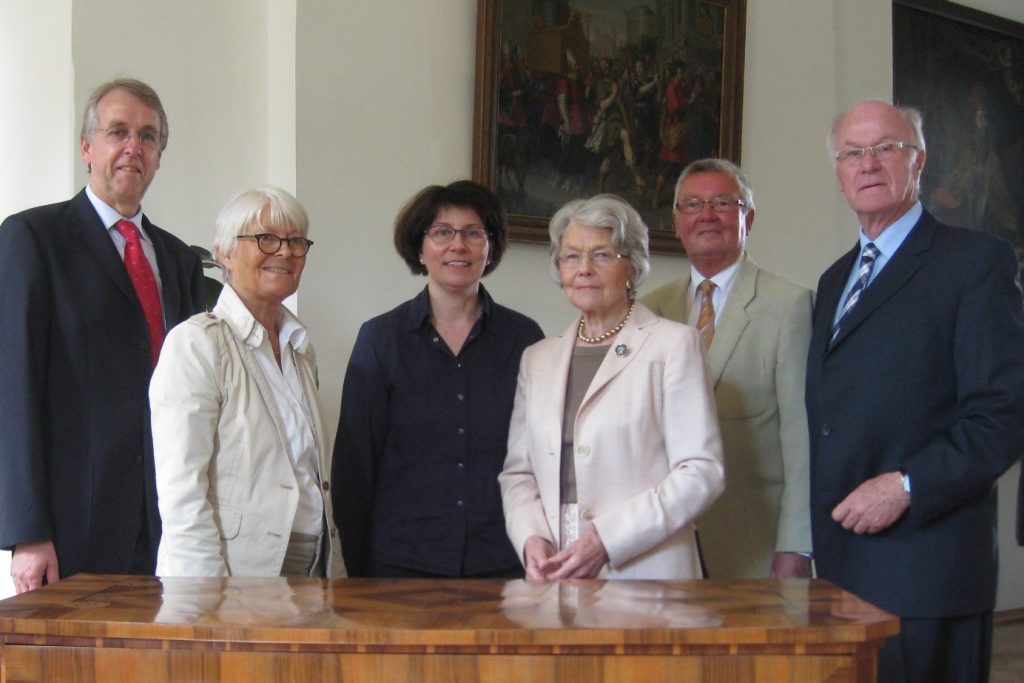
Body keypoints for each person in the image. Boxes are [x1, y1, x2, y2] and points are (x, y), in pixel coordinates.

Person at [805, 100, 1024, 683]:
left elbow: (1003, 414)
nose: (868, 163)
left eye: (887, 148)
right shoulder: (834, 280)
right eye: (853, 153)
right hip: (841, 568)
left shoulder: (976, 262)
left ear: (919, 161)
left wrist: (907, 485)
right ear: (839, 171)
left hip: (927, 570)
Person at [0, 78, 205, 594]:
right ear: (87, 147)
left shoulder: (180, 260)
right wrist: (27, 532)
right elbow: (13, 389)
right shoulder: (32, 240)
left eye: (148, 136)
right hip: (73, 531)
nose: (133, 147)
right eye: (118, 132)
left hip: (169, 525)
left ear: (159, 156)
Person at [499, 194, 725, 581]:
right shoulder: (536, 358)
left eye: (601, 255)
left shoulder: (674, 345)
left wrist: (608, 539)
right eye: (571, 256)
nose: (584, 269)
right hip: (555, 568)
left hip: (646, 568)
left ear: (632, 267)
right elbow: (518, 474)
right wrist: (530, 538)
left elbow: (702, 472)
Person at [332, 180, 543, 578]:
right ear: (419, 247)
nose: (457, 246)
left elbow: (540, 457)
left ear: (491, 247)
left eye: (473, 233)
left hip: (503, 561)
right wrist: (359, 572)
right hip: (401, 564)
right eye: (442, 232)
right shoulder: (380, 339)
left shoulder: (524, 338)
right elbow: (354, 465)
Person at [150, 187, 344, 578]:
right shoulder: (198, 344)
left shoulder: (298, 346)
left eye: (295, 241)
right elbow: (183, 491)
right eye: (265, 239)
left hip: (313, 568)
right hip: (235, 573)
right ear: (224, 253)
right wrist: (207, 599)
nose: (285, 252)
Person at [643, 158, 812, 579]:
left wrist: (796, 544)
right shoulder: (649, 310)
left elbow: (801, 438)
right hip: (664, 545)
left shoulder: (789, 305)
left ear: (747, 219)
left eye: (722, 202)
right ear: (677, 222)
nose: (706, 215)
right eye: (692, 205)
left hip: (753, 543)